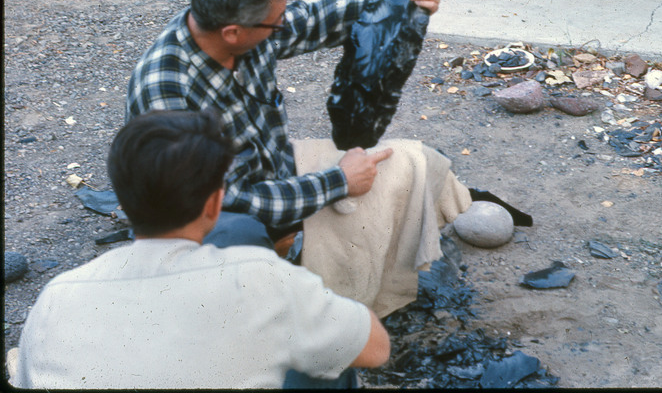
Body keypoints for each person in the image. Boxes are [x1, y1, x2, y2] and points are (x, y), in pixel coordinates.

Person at [126, 0, 472, 314]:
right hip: (210, 222)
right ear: (233, 31)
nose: (283, 26)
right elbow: (227, 200)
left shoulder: (243, 31)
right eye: (275, 24)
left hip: (274, 181)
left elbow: (319, 20)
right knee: (250, 255)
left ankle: (293, 252)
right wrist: (337, 182)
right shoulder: (167, 92)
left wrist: (404, 1)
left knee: (415, 163)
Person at [11, 109, 390, 389]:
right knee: (329, 366)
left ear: (122, 201)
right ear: (214, 204)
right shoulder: (259, 276)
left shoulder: (56, 296)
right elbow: (375, 349)